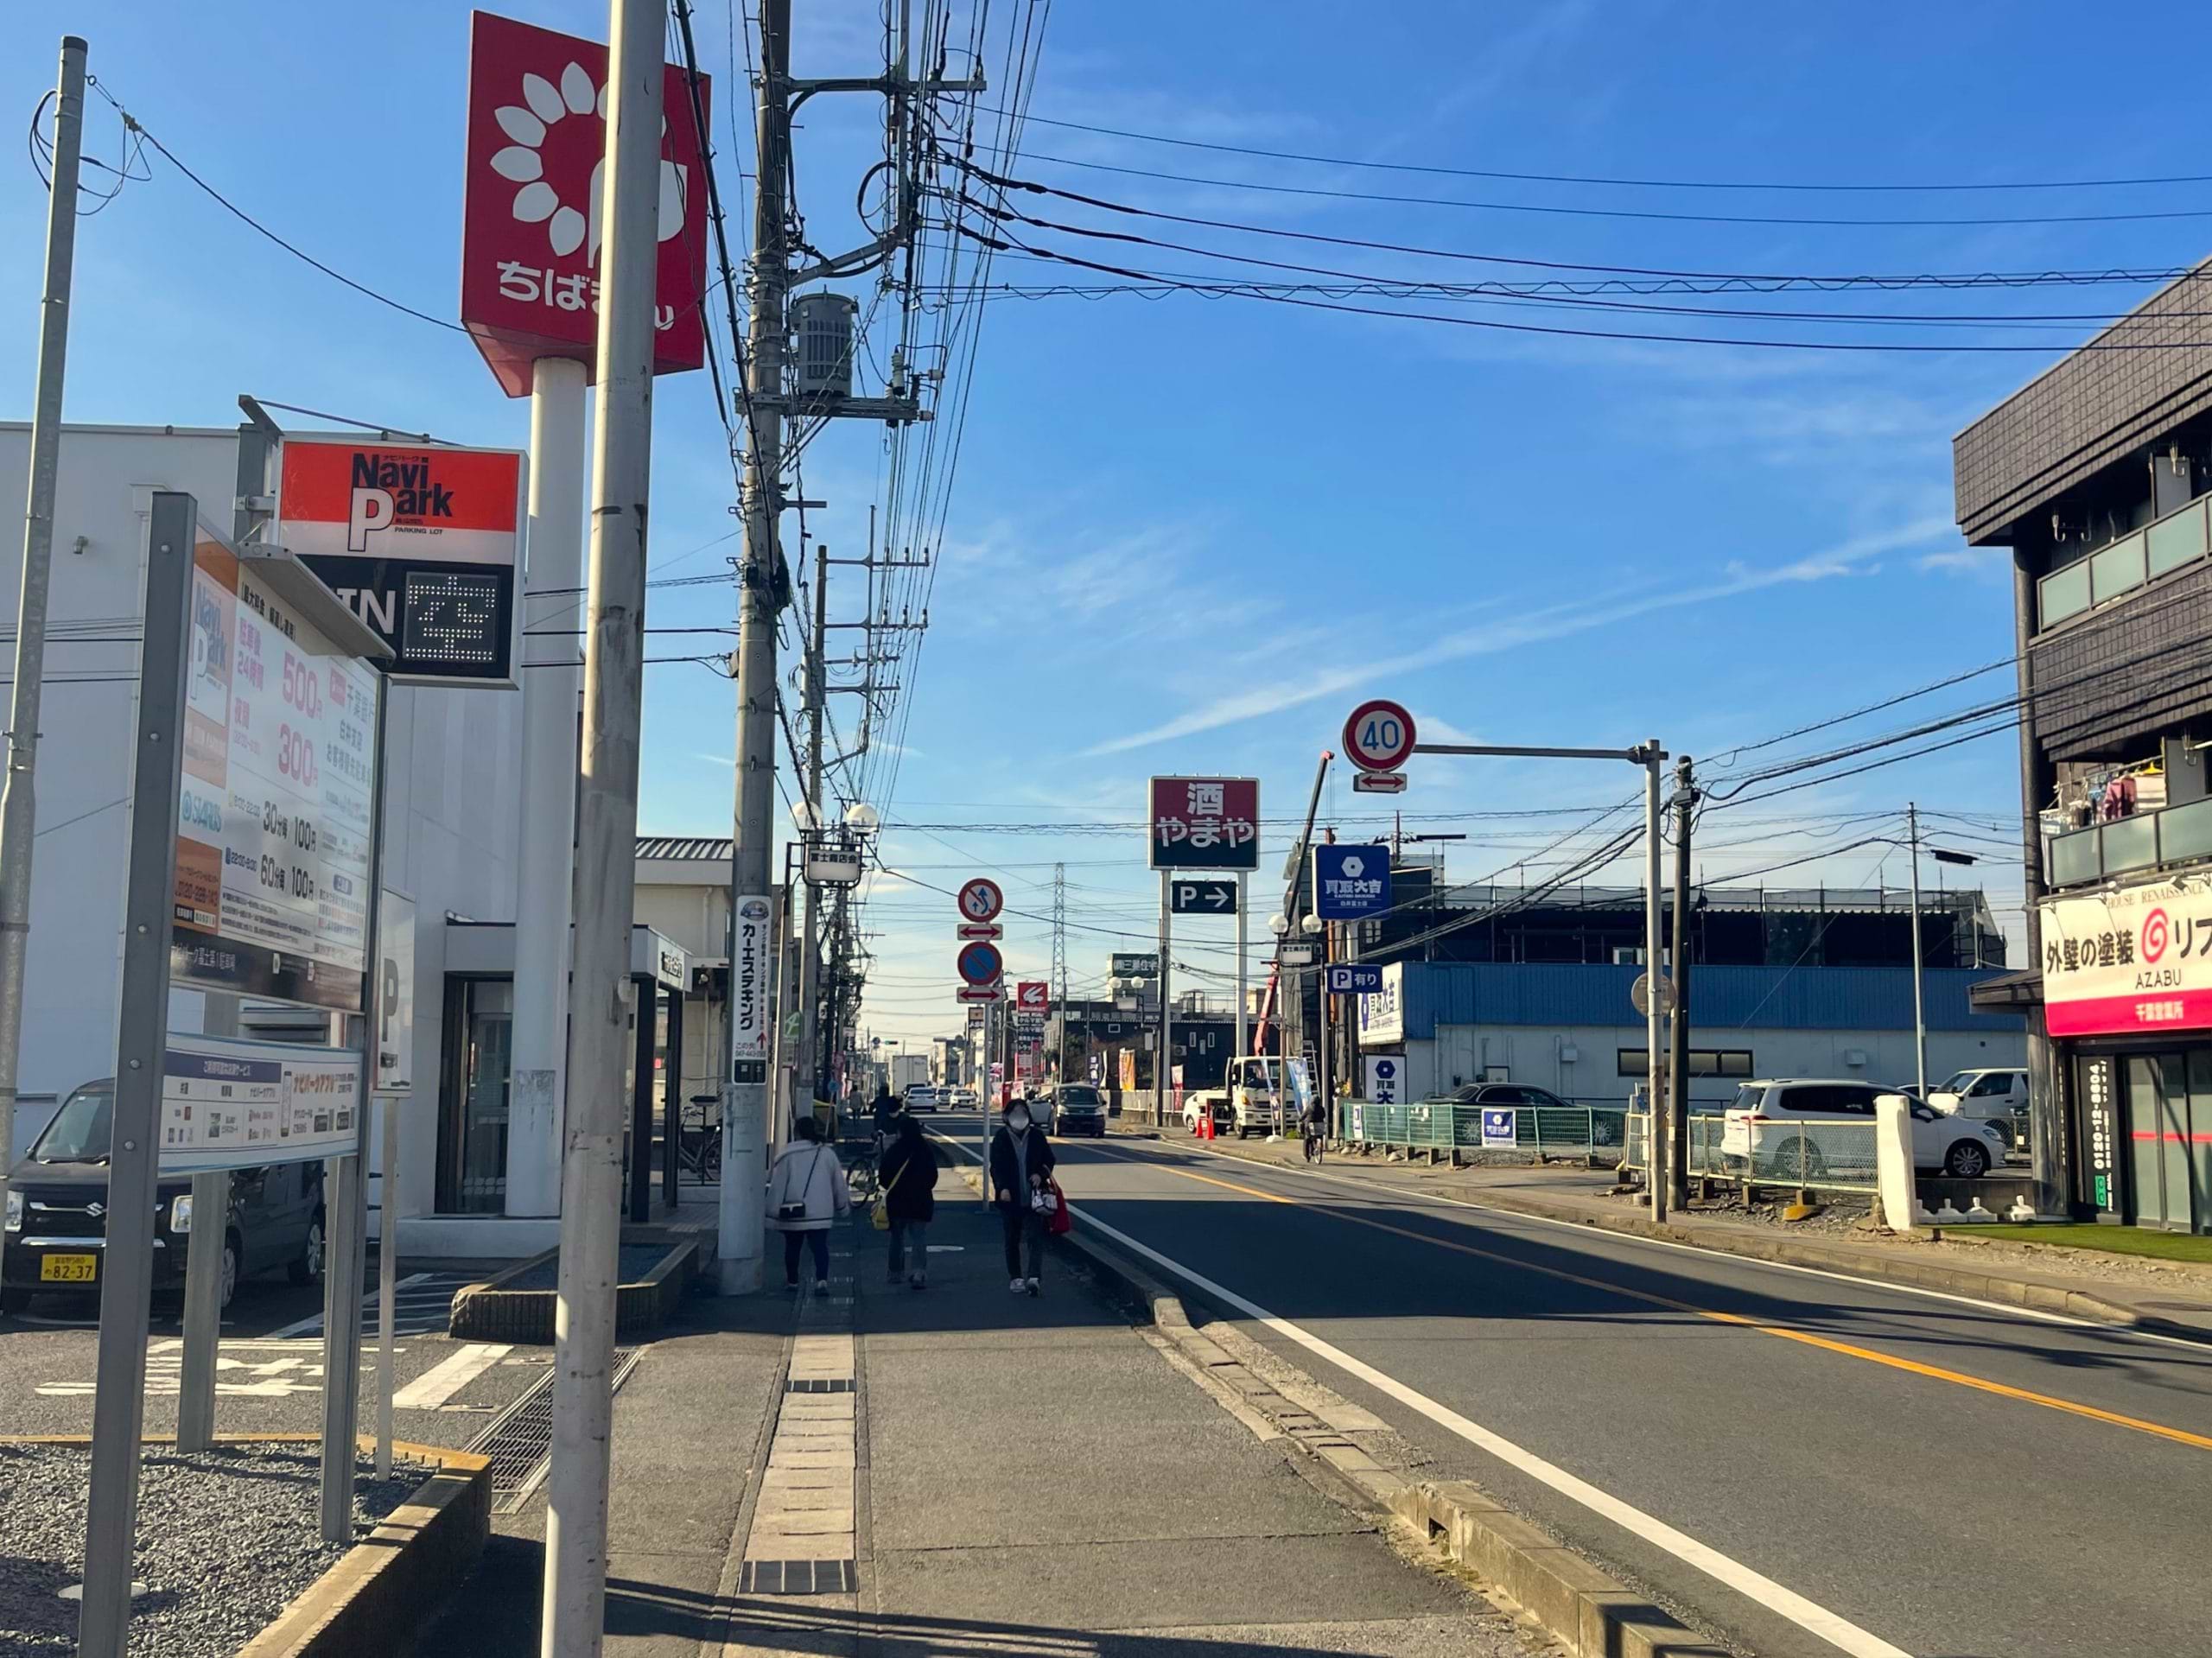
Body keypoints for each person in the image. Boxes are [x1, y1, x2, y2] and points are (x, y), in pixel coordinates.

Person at [767, 1115, 849, 1292]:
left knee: (792, 1247)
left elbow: (778, 1185)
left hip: (792, 1211)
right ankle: (822, 1281)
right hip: (821, 1212)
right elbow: (838, 1183)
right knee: (820, 1247)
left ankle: (792, 1281)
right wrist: (842, 1206)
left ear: (796, 1133)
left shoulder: (787, 1156)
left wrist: (771, 1212)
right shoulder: (827, 1154)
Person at [988, 1095, 1056, 1296]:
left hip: (1034, 1198)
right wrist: (1002, 1188)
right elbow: (996, 1167)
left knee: (1035, 1237)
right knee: (1012, 1238)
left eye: (1023, 1113)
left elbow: (1049, 1160)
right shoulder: (1001, 1137)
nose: (1020, 1117)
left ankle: (1034, 1277)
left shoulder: (1036, 1136)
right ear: (1006, 1116)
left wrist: (1040, 1174)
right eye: (1015, 1113)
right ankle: (1016, 1277)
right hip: (1010, 1198)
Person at [877, 1114, 939, 1289]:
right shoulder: (925, 1150)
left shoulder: (894, 1150)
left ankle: (895, 1273)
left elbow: (883, 1178)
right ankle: (918, 1272)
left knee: (897, 1237)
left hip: (897, 1202)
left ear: (901, 1132)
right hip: (920, 1201)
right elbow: (933, 1177)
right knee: (919, 1236)